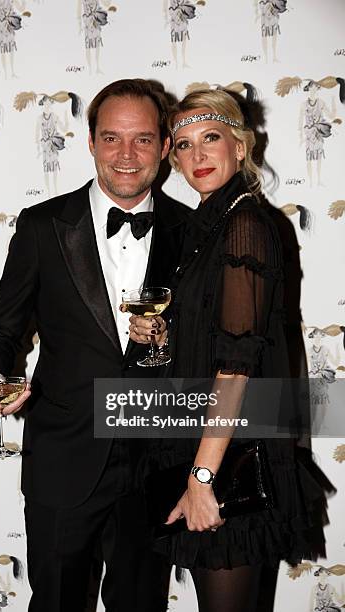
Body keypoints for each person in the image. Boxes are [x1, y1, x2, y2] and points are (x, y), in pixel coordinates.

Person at [0, 78, 189, 612]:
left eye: (142, 139)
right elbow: (2, 328)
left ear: (163, 146)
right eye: (112, 138)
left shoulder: (193, 230)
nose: (127, 155)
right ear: (90, 142)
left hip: (153, 460)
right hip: (64, 456)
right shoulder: (43, 226)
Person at [129, 88, 332, 612]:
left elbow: (236, 368)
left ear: (240, 146)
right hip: (205, 444)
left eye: (210, 139)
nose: (196, 156)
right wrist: (164, 335)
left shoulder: (244, 223)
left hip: (229, 459)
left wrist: (203, 479)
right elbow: (213, 334)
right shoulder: (210, 227)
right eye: (183, 145)